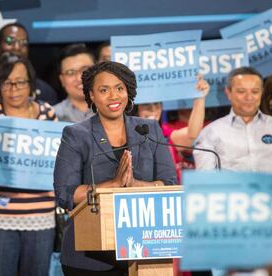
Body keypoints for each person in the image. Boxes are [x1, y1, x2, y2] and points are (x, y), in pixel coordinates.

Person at [54, 61, 177, 275]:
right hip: (89, 258)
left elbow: (169, 183)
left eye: (119, 88)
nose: (114, 96)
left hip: (144, 253)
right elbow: (66, 193)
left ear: (128, 91)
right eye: (104, 90)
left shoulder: (149, 129)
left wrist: (134, 185)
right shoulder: (76, 135)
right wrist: (113, 185)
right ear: (92, 95)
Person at [0, 53, 57, 276]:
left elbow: (55, 161)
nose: (14, 89)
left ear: (31, 84)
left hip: (40, 215)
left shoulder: (47, 113)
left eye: (20, 82)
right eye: (7, 82)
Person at [194, 67, 272, 177]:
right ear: (228, 93)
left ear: (261, 93)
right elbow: (206, 181)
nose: (249, 97)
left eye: (255, 91)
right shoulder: (211, 132)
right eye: (241, 91)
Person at [136, 76, 210, 181]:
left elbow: (192, 135)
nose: (153, 109)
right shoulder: (123, 134)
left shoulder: (165, 134)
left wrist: (199, 98)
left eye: (157, 104)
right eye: (145, 104)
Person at [54, 44, 95, 122]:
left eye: (85, 70)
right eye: (70, 72)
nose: (79, 78)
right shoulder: (52, 116)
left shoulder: (116, 109)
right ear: (62, 80)